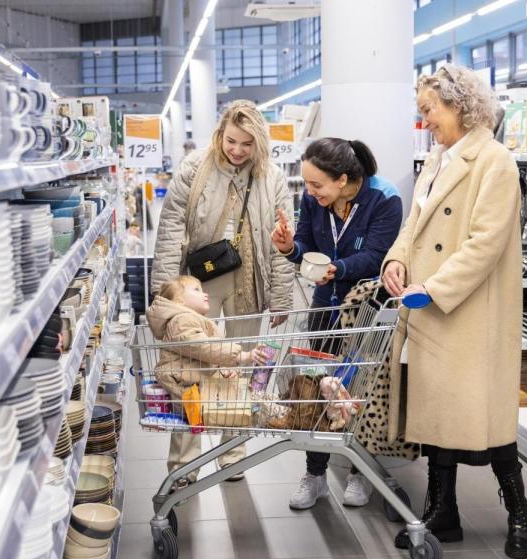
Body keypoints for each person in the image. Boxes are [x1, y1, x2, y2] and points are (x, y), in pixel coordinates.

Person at [380, 64, 527, 559]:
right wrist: (396, 260)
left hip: (469, 311)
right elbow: (414, 224)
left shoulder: (496, 162)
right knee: (439, 414)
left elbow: (485, 244)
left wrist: (434, 288)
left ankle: (520, 514)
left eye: (430, 110)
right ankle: (442, 511)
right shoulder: (436, 159)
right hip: (428, 306)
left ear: (459, 106)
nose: (424, 121)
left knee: (488, 419)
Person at [153, 100, 295, 478]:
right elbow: (170, 229)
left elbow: (283, 241)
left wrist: (281, 295)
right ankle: (184, 464)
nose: (237, 150)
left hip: (250, 280)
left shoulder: (272, 177)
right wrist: (164, 292)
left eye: (247, 144)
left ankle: (233, 455)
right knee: (189, 368)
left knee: (241, 366)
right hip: (200, 281)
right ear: (220, 134)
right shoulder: (195, 168)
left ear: (259, 143)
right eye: (231, 140)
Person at [270, 137, 402, 510]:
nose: (310, 192)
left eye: (317, 184)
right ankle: (315, 474)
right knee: (316, 387)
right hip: (324, 307)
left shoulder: (384, 198)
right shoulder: (315, 200)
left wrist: (338, 268)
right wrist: (288, 248)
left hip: (365, 308)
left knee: (359, 389)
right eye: (307, 184)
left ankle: (360, 470)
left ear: (342, 180)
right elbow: (305, 247)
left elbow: (377, 255)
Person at [146, 276, 267, 487]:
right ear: (179, 301)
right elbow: (202, 347)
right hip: (186, 385)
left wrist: (224, 368)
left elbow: (202, 355)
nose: (205, 293)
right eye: (196, 289)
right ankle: (183, 470)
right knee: (189, 426)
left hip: (197, 379)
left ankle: (196, 467)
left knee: (231, 406)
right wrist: (241, 355)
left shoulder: (190, 319)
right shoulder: (181, 321)